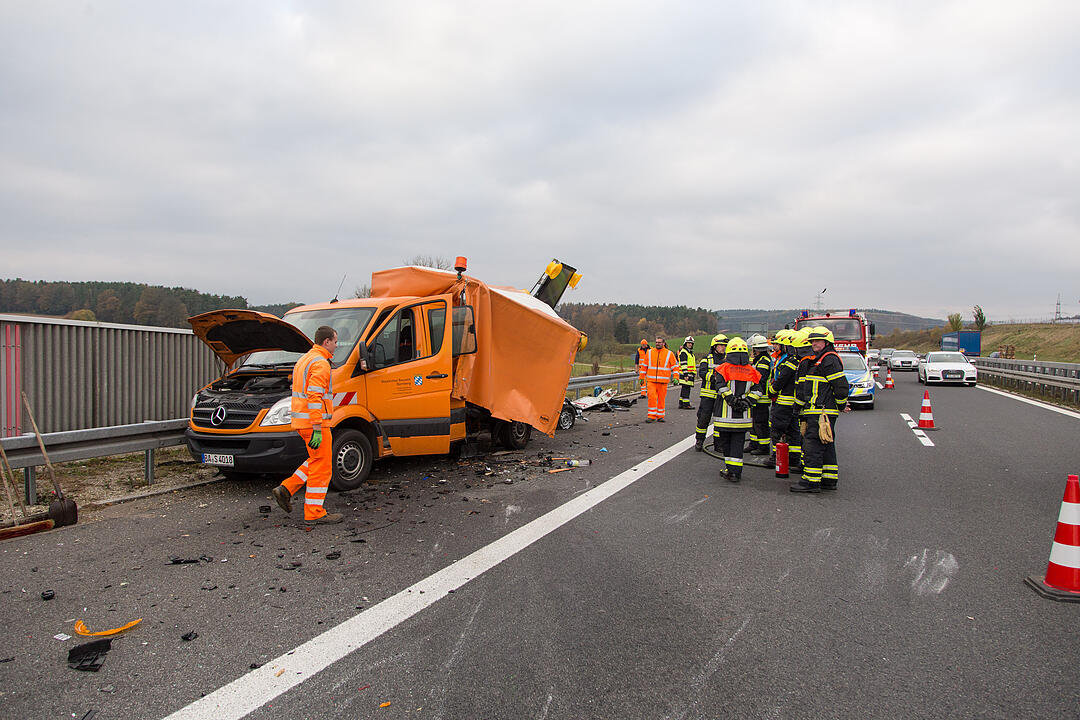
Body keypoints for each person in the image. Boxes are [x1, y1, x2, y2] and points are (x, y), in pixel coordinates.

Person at [271, 326, 343, 524]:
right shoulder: (321, 363)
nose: (337, 346)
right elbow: (314, 396)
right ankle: (314, 513)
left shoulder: (304, 359)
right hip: (315, 425)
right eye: (335, 342)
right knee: (322, 466)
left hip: (303, 422)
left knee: (315, 459)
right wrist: (318, 427)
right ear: (326, 341)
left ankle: (287, 489)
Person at [790, 326, 850, 494]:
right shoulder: (819, 359)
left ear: (827, 342)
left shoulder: (828, 360)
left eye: (817, 341)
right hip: (819, 410)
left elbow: (841, 386)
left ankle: (811, 481)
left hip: (821, 411)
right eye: (812, 341)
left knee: (813, 445)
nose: (813, 344)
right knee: (827, 443)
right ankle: (829, 479)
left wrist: (840, 404)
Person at [711, 337, 762, 482]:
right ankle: (735, 472)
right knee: (738, 444)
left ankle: (730, 469)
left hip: (725, 416)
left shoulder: (723, 368)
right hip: (742, 417)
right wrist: (746, 402)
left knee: (726, 443)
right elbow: (758, 391)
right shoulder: (752, 370)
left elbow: (720, 386)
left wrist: (731, 400)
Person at [694, 334, 728, 451]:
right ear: (714, 346)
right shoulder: (707, 358)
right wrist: (715, 378)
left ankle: (719, 445)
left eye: (724, 345)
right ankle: (699, 441)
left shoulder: (727, 360)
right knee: (703, 419)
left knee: (719, 421)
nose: (723, 348)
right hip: (708, 395)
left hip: (721, 396)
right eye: (720, 345)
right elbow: (702, 373)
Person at [746, 334, 773, 455]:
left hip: (762, 397)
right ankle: (754, 443)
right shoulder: (760, 359)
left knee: (761, 423)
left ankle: (763, 446)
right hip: (757, 397)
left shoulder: (763, 361)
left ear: (756, 349)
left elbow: (760, 379)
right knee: (754, 422)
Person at [644, 336, 678, 422]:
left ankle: (660, 416)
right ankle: (651, 416)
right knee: (652, 397)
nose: (657, 344)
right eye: (656, 342)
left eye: (659, 342)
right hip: (651, 380)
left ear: (663, 343)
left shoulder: (669, 354)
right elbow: (644, 366)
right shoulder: (650, 352)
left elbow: (675, 367)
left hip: (663, 381)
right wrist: (641, 377)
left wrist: (676, 378)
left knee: (661, 399)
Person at [677, 336, 697, 409]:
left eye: (691, 343)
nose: (690, 345)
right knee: (686, 389)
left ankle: (681, 403)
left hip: (689, 374)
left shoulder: (689, 352)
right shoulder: (684, 352)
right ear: (685, 343)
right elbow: (684, 364)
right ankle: (686, 404)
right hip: (686, 374)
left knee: (684, 389)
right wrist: (685, 374)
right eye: (688, 343)